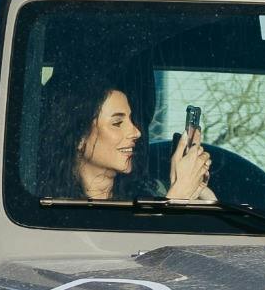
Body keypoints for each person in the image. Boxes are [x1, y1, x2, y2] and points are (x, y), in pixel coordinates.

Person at [36, 76, 214, 204]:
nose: (136, 132)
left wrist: (195, 191)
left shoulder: (149, 194)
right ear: (79, 138)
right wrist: (178, 196)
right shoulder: (46, 209)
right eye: (117, 123)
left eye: (131, 120)